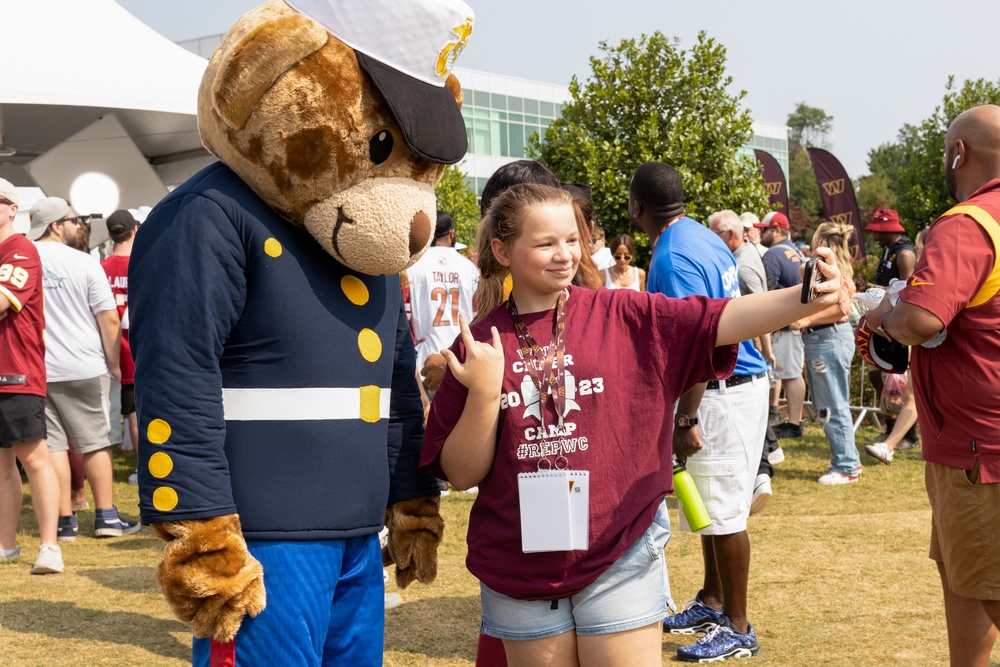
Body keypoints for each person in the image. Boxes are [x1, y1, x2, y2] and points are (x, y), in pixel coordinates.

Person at [419, 182, 843, 666]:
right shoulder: (478, 343)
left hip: (619, 553)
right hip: (521, 567)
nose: (564, 255)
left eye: (572, 240)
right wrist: (485, 392)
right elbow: (461, 472)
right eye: (545, 244)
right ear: (501, 250)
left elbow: (718, 319)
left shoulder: (623, 313)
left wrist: (805, 295)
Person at [860, 104, 1000, 667]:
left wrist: (887, 311)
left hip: (979, 449)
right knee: (966, 580)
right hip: (975, 442)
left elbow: (921, 320)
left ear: (958, 153)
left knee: (984, 581)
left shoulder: (969, 221)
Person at [633, 166, 767, 662]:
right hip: (733, 384)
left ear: (635, 207)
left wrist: (685, 420)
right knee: (710, 506)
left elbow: (697, 342)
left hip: (719, 390)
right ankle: (713, 601)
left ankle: (738, 626)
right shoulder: (703, 237)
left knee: (727, 514)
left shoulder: (672, 254)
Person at [28, 197, 139, 540]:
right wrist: (112, 362)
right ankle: (106, 516)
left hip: (40, 366)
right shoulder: (84, 262)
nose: (79, 226)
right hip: (84, 364)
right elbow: (108, 318)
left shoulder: (23, 259)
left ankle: (64, 521)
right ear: (56, 225)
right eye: (74, 220)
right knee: (95, 444)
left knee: (56, 447)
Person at [0, 179, 63, 574]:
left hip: (17, 372)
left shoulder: (20, 249)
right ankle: (6, 546)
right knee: (2, 467)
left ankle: (49, 547)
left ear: (12, 208)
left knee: (34, 458)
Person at [708, 209, 776, 513]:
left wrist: (766, 349)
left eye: (714, 234)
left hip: (746, 359)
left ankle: (762, 473)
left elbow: (760, 307)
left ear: (730, 235)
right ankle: (766, 465)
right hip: (747, 357)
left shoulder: (744, 263)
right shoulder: (737, 258)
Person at [788, 222, 860, 484]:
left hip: (827, 339)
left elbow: (842, 309)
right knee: (833, 402)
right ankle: (849, 459)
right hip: (829, 339)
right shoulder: (841, 269)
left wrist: (806, 321)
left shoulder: (831, 270)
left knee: (832, 404)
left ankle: (846, 466)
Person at [864, 208, 920, 451]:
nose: (874, 236)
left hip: (897, 323)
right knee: (879, 375)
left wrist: (876, 289)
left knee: (897, 379)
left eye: (877, 230)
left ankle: (908, 436)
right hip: (885, 319)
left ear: (888, 230)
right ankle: (890, 428)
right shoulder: (889, 250)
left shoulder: (905, 254)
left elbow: (908, 290)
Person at [406, 211, 480, 373]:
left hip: (424, 361)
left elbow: (405, 315)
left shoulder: (413, 266)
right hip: (461, 360)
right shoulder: (469, 268)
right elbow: (479, 314)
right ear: (452, 233)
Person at [757, 211, 806, 438]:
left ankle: (794, 424)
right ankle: (793, 422)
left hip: (785, 325)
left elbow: (768, 292)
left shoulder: (772, 255)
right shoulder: (794, 251)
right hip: (795, 321)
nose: (760, 232)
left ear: (777, 230)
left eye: (764, 229)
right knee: (792, 373)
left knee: (791, 374)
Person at [100, 210, 140, 483]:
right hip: (140, 348)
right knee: (141, 413)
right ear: (135, 230)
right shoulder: (143, 263)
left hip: (110, 351)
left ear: (109, 235)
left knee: (128, 414)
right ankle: (144, 469)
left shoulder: (100, 268)